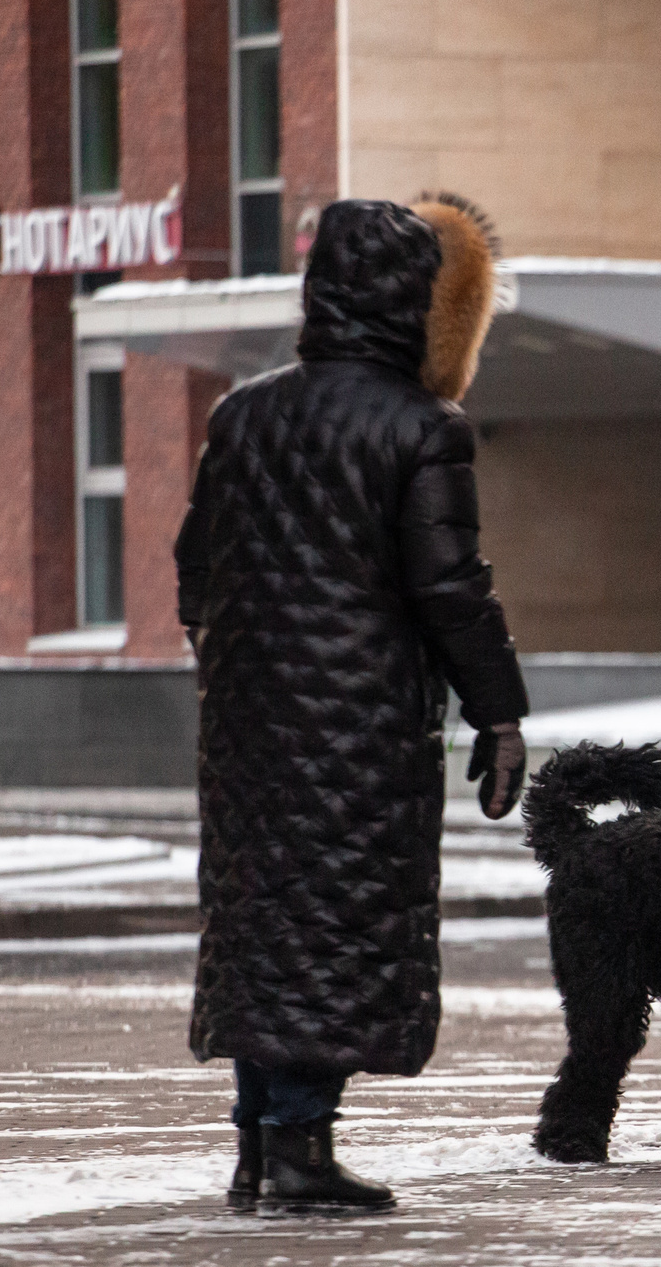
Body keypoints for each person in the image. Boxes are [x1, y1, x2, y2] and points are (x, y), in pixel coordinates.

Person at [176, 194, 531, 1214]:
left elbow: (194, 568)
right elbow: (450, 588)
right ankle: (296, 1152)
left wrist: (238, 662)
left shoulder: (243, 414)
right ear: (413, 303)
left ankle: (261, 1147)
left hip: (247, 727)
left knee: (261, 922)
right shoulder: (420, 428)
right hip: (362, 725)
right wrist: (498, 713)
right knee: (332, 920)